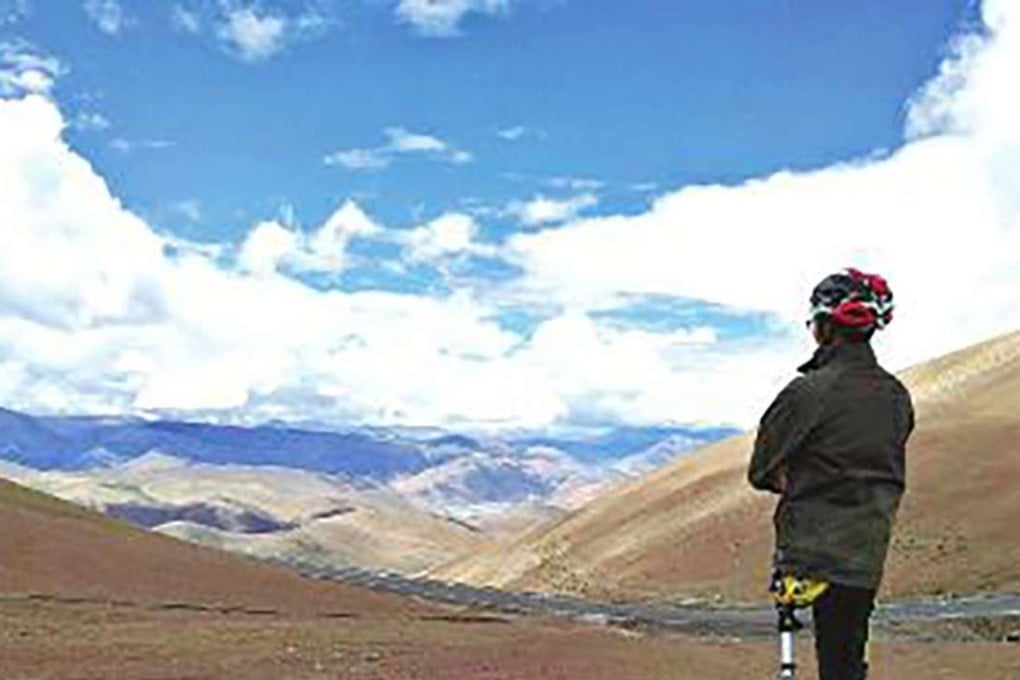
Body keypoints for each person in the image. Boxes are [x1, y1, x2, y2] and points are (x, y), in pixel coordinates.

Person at [748, 268, 915, 680]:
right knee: (845, 658)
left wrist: (802, 478)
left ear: (824, 326)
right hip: (866, 553)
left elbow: (761, 470)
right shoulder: (897, 396)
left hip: (808, 554)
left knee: (818, 656)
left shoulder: (806, 393)